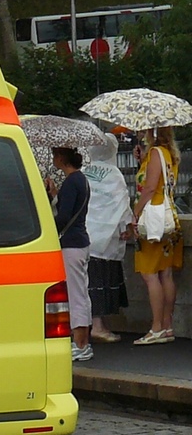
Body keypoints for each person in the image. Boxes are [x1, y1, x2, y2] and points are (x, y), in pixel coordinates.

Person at [131, 126, 183, 345]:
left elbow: (151, 187)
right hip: (167, 219)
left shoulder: (155, 153)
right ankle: (167, 325)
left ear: (153, 131)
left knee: (150, 274)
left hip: (152, 221)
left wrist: (136, 212)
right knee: (166, 274)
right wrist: (142, 158)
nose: (140, 132)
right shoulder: (170, 154)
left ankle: (156, 327)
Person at [83, 133, 132, 343]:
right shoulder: (114, 174)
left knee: (90, 282)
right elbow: (121, 203)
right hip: (107, 235)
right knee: (103, 281)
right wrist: (126, 226)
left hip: (86, 233)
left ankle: (94, 323)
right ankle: (99, 326)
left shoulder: (84, 171)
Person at [45, 147, 92, 362]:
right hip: (80, 241)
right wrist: (55, 194)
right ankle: (83, 341)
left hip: (71, 243)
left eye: (55, 156)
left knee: (75, 294)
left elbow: (64, 216)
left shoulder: (72, 181)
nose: (53, 159)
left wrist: (46, 226)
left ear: (62, 159)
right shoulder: (80, 180)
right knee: (80, 291)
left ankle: (81, 343)